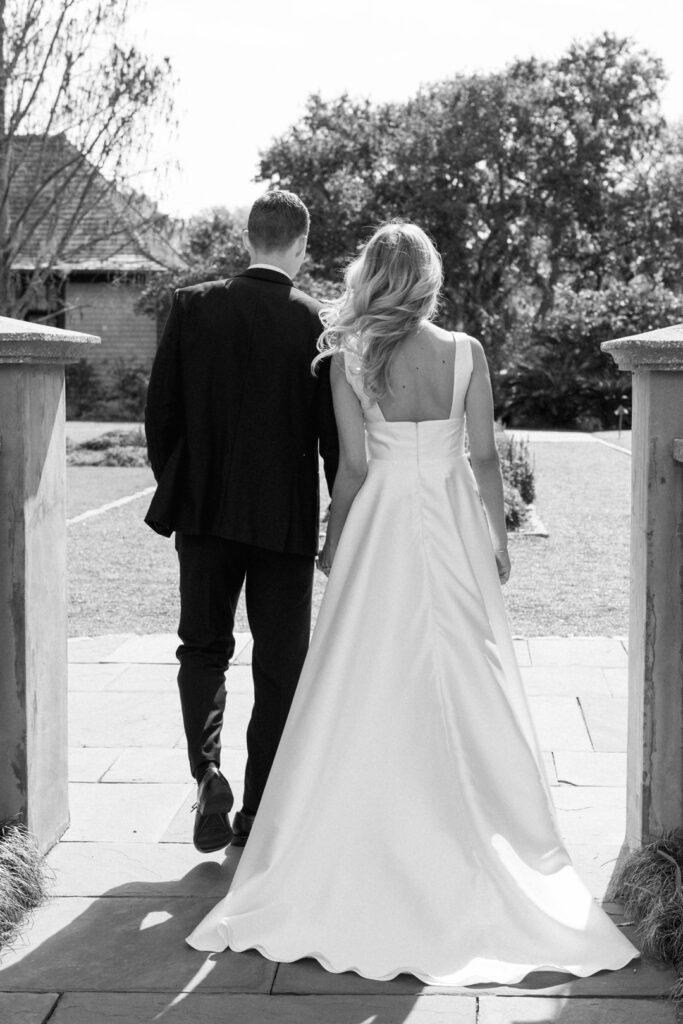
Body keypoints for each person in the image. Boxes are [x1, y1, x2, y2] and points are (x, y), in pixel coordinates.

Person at [185, 221, 637, 984]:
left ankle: (367, 824)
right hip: (453, 517)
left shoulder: (348, 355)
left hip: (385, 520)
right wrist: (496, 540)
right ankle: (478, 831)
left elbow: (354, 467)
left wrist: (334, 543)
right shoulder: (465, 352)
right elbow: (486, 456)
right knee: (467, 673)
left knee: (366, 671)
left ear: (372, 276)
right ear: (426, 279)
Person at [144, 190, 338, 855]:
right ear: (300, 244)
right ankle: (258, 809)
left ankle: (208, 775)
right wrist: (341, 514)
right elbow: (331, 439)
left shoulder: (192, 307)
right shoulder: (315, 322)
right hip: (283, 523)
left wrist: (181, 485)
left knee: (202, 648)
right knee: (280, 665)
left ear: (248, 237)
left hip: (202, 512)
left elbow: (159, 415)